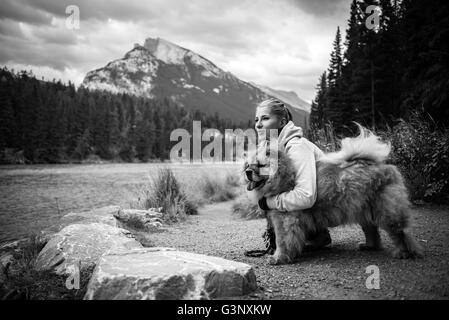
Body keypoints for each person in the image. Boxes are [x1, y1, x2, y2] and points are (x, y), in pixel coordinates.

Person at [253, 98, 331, 254]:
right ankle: (314, 234)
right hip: (312, 205)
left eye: (265, 118)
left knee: (272, 200)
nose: (258, 124)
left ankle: (314, 234)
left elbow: (306, 196)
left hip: (327, 206)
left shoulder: (297, 147)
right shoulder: (272, 147)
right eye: (256, 119)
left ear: (282, 123)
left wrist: (268, 203)